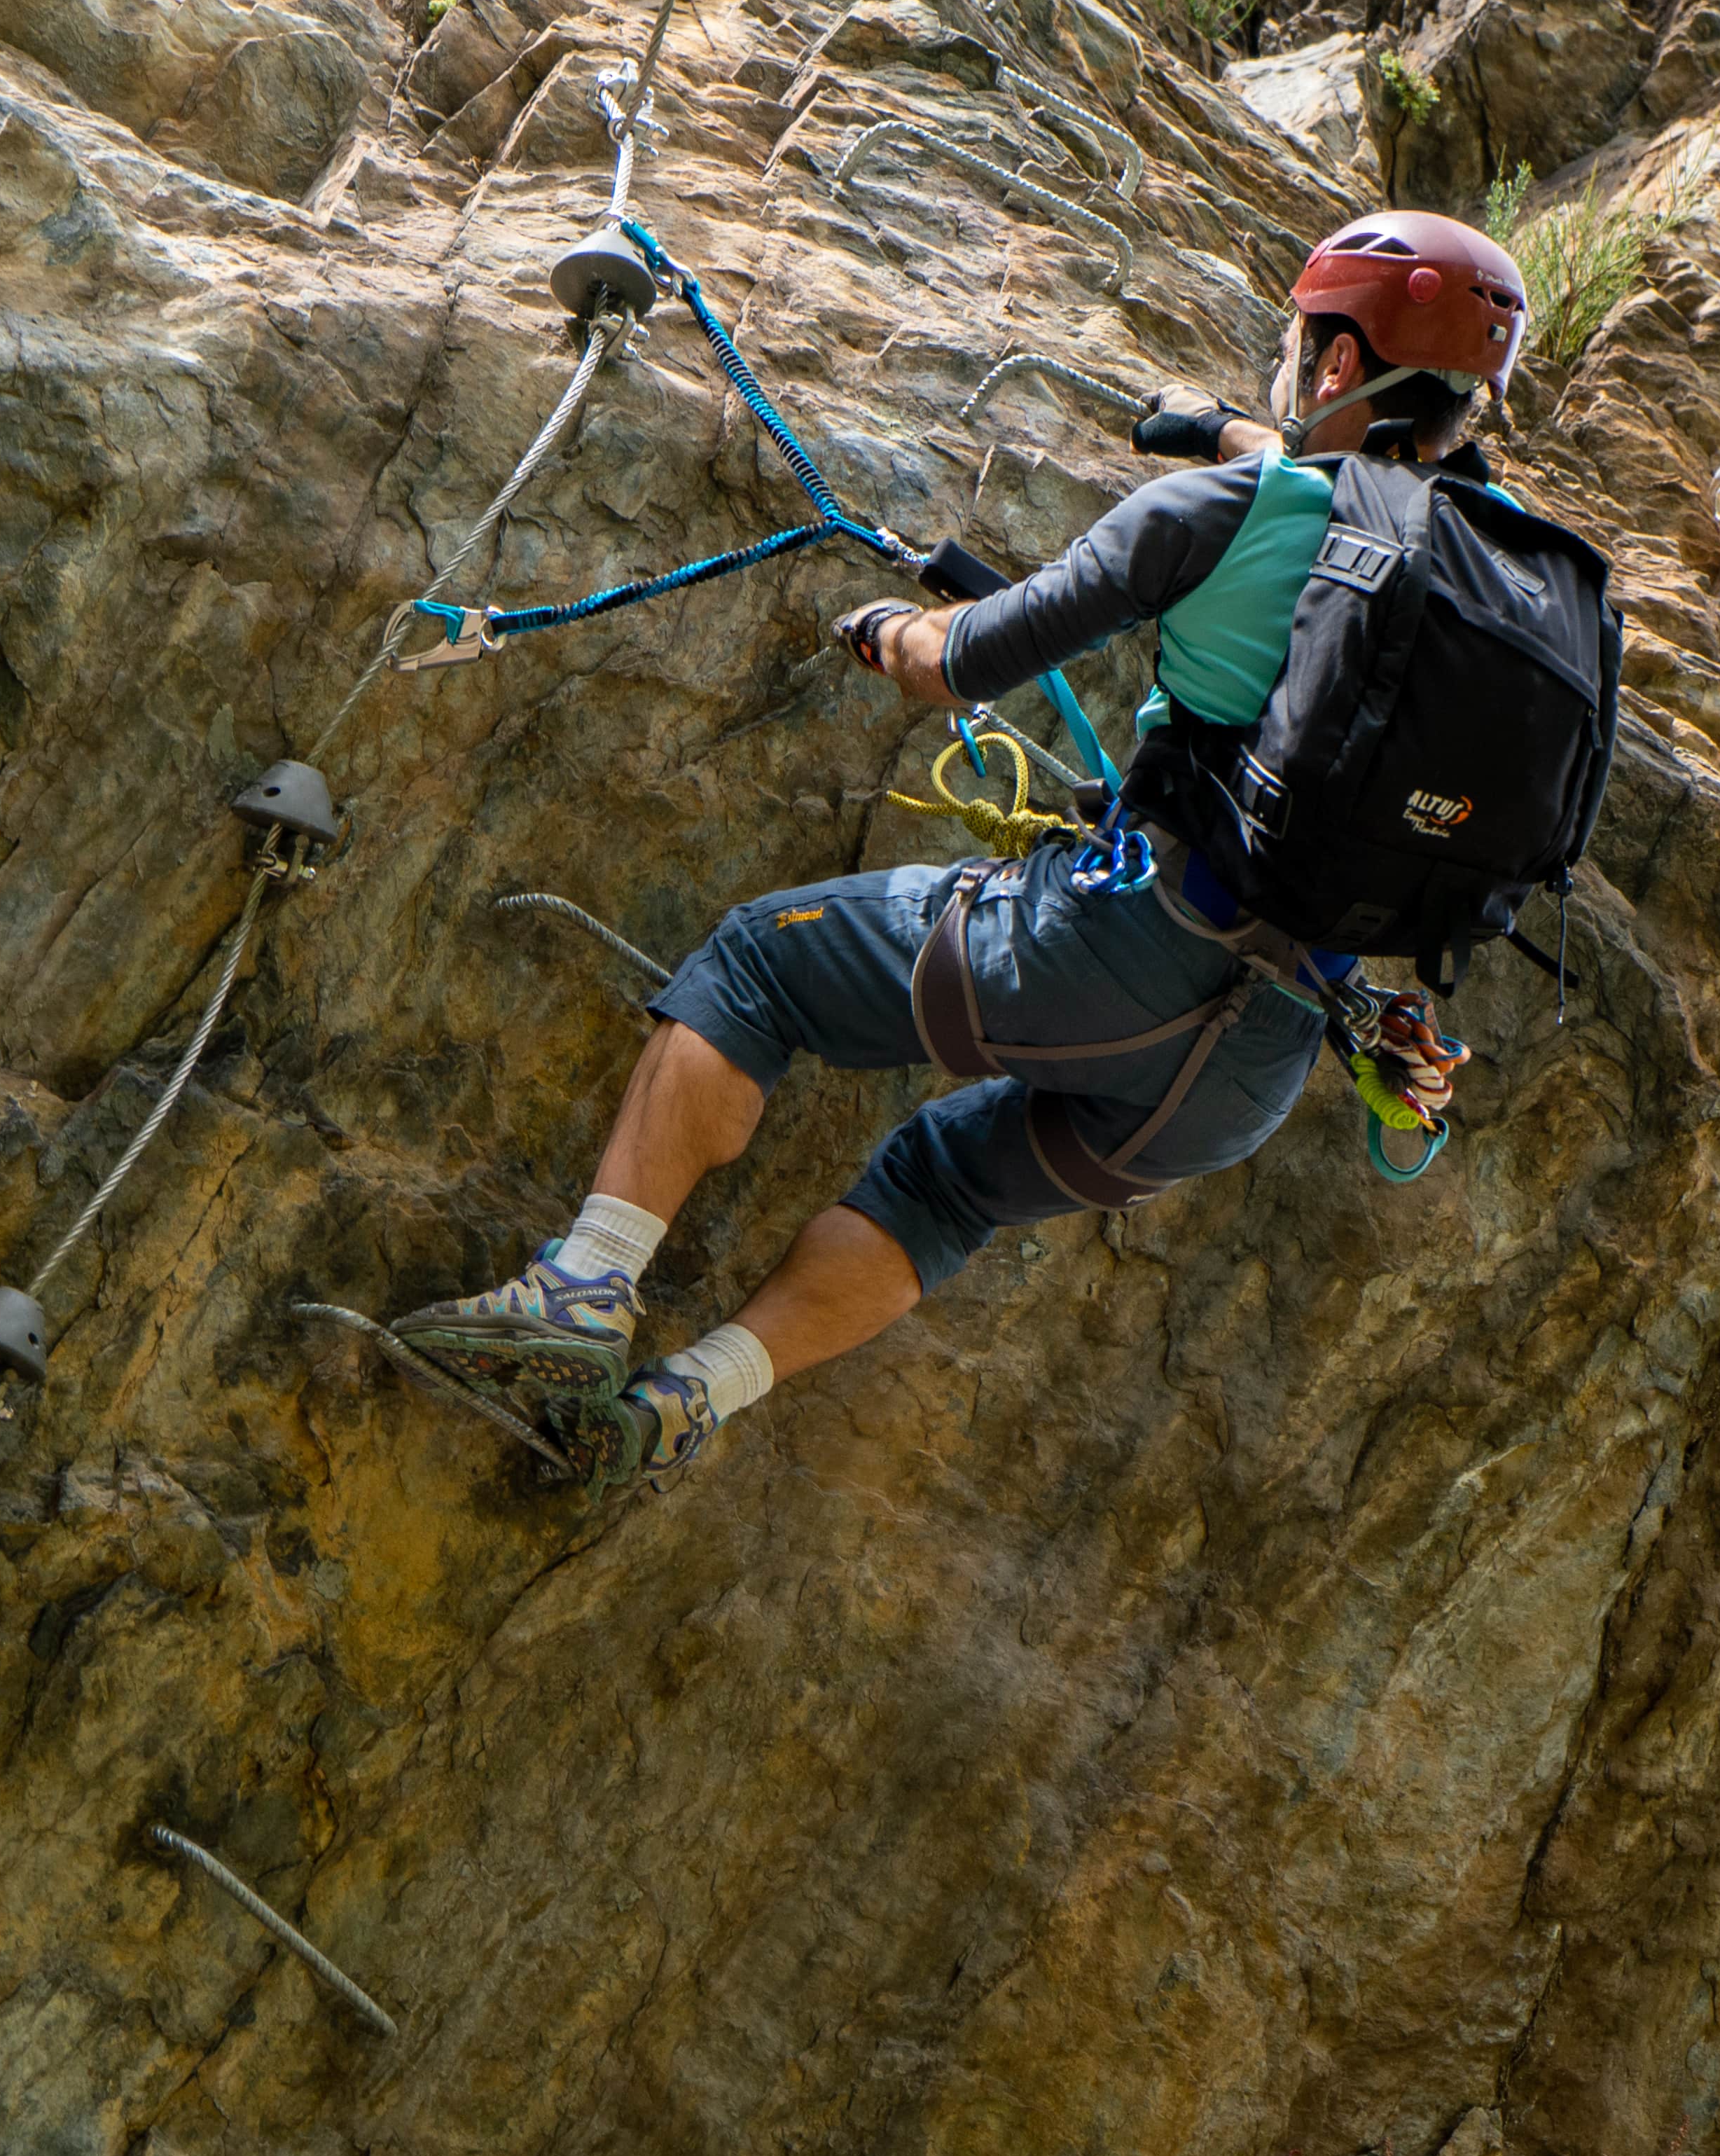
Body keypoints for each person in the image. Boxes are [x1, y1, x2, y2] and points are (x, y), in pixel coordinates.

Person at [394, 213, 1532, 1495]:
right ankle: (675, 1405)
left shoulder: (1226, 512)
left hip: (1111, 947)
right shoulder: (1501, 576)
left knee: (759, 969)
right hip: (1250, 1073)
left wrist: (891, 629)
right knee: (945, 1192)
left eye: (1301, 347)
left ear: (1335, 367)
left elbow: (966, 660)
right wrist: (1230, 432)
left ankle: (578, 1297)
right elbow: (1342, 512)